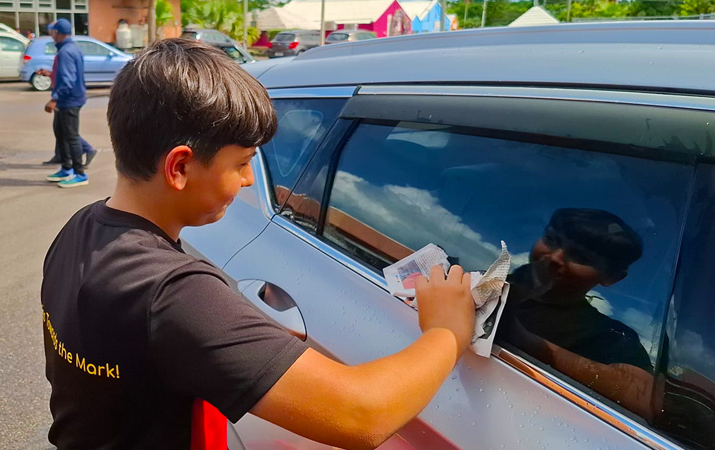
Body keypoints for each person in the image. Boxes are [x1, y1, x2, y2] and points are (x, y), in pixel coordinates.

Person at [41, 38, 476, 449]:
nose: (250, 180)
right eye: (242, 163)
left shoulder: (80, 229)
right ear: (179, 167)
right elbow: (361, 416)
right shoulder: (173, 294)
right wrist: (446, 331)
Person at [498, 208, 654, 419]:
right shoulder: (485, 284)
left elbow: (644, 396)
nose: (555, 257)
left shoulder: (607, 335)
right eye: (552, 240)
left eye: (582, 256)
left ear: (612, 277)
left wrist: (525, 341)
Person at [43, 18, 88, 188]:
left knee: (71, 137)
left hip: (69, 100)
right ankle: (66, 168)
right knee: (61, 134)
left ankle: (80, 174)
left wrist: (54, 99)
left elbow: (68, 81)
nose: (51, 34)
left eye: (52, 31)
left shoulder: (66, 52)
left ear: (58, 33)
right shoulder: (69, 48)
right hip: (68, 100)